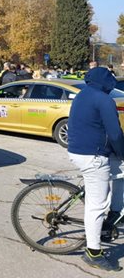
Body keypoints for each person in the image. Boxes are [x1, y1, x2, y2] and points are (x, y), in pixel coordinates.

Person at [68, 67, 124, 271]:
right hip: (92, 156)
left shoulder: (83, 94)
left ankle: (114, 215)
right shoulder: (103, 99)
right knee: (97, 205)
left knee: (121, 173)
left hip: (79, 150)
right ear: (107, 83)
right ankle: (93, 252)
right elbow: (116, 134)